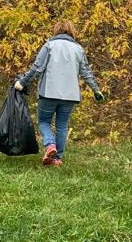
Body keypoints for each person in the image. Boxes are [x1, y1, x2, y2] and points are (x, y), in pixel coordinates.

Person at [15, 21, 104, 167]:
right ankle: (56, 159)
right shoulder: (78, 49)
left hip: (49, 92)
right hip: (71, 95)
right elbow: (86, 72)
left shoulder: (49, 45)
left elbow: (37, 68)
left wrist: (22, 83)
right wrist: (96, 90)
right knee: (62, 125)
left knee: (44, 121)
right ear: (71, 32)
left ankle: (50, 145)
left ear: (56, 31)